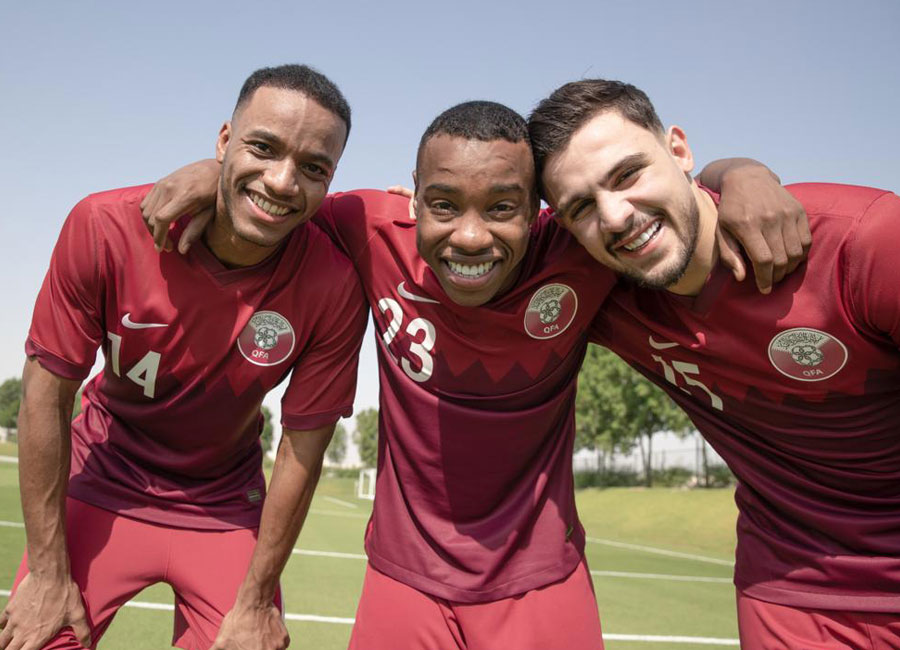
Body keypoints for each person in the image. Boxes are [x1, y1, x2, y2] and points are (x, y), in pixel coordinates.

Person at [141, 100, 804, 649]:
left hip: (543, 584)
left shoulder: (580, 253)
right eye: (445, 204)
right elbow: (278, 193)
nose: (469, 237)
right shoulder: (368, 226)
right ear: (415, 194)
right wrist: (213, 171)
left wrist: (742, 172)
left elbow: (683, 195)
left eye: (502, 208)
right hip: (402, 582)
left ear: (541, 212)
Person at [3, 64, 368, 650]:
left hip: (222, 501)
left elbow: (302, 448)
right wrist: (48, 574)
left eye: (312, 167)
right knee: (37, 638)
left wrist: (255, 599)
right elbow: (46, 395)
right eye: (262, 147)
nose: (281, 181)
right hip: (104, 476)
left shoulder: (334, 284)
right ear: (224, 141)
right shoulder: (103, 227)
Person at [529, 79, 900, 649]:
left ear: (679, 150)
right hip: (790, 589)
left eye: (628, 174)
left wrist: (739, 170)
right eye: (581, 206)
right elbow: (478, 240)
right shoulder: (602, 289)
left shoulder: (863, 241)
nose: (617, 216)